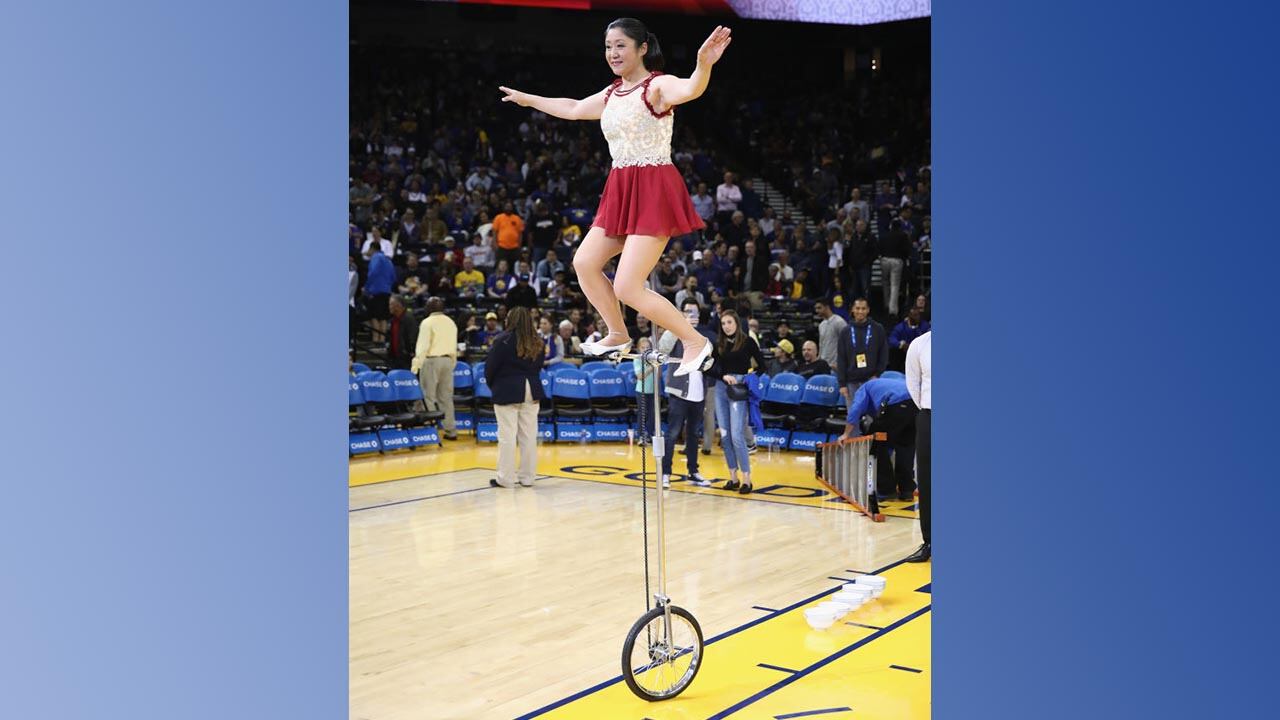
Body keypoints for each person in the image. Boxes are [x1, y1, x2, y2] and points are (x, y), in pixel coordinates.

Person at [499, 19, 733, 377]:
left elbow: (691, 88)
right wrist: (527, 99)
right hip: (621, 187)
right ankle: (618, 333)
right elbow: (574, 108)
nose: (613, 53)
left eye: (621, 45)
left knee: (627, 286)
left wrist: (704, 64)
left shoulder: (657, 86)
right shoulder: (612, 94)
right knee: (584, 262)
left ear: (642, 48)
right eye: (608, 46)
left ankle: (695, 341)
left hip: (653, 186)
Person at [484, 306, 546, 488]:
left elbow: (490, 368)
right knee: (529, 436)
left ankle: (506, 478)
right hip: (531, 388)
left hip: (507, 388)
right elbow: (539, 366)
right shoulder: (538, 341)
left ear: (511, 320)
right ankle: (528, 478)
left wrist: (494, 386)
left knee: (507, 436)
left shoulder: (502, 340)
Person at [706, 310, 765, 494]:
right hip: (721, 388)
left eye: (729, 322)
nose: (726, 326)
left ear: (737, 323)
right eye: (723, 323)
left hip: (738, 389)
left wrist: (748, 378)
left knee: (737, 436)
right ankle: (733, 477)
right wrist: (723, 375)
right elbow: (709, 367)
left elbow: (763, 366)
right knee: (725, 436)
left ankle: (747, 479)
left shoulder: (748, 341)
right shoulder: (719, 343)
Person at [839, 371, 917, 502]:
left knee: (876, 444)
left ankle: (887, 490)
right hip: (916, 407)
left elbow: (855, 410)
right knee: (906, 448)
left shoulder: (864, 388)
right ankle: (907, 491)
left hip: (895, 405)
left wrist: (846, 434)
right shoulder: (888, 384)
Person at [661, 333, 710, 489]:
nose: (693, 320)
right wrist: (676, 328)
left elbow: (709, 363)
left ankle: (693, 471)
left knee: (694, 435)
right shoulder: (676, 334)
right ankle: (665, 472)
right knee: (672, 434)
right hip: (678, 393)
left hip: (699, 395)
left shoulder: (703, 337)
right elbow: (662, 348)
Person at [411, 296, 458, 441]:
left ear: (430, 307)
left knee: (428, 396)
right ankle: (451, 430)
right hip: (448, 360)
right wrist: (452, 362)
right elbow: (454, 345)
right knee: (446, 398)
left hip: (431, 360)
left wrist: (416, 365)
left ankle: (431, 430)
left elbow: (423, 346)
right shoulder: (451, 322)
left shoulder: (427, 322)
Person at [904, 330, 931, 563]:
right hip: (929, 416)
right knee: (926, 480)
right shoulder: (919, 344)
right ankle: (929, 541)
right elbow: (913, 383)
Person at [836, 297, 888, 403]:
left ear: (868, 310)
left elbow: (884, 354)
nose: (860, 311)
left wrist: (877, 374)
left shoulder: (877, 329)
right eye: (857, 308)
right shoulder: (845, 331)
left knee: (871, 413)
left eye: (863, 308)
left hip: (872, 380)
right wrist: (842, 384)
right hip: (851, 382)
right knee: (853, 412)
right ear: (852, 310)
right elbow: (841, 358)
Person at [363, 241, 395, 344]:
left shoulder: (376, 257)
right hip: (386, 291)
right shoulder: (388, 260)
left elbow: (373, 273)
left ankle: (375, 340)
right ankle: (382, 340)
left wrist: (366, 287)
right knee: (383, 317)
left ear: (372, 248)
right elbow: (393, 277)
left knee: (374, 316)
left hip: (376, 291)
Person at [879, 219, 911, 318]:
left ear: (891, 226)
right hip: (897, 260)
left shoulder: (884, 235)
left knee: (885, 283)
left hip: (884, 259)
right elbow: (906, 249)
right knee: (895, 285)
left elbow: (880, 247)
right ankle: (892, 310)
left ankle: (886, 304)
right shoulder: (903, 235)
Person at [889, 305, 931, 372]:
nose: (917, 317)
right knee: (894, 352)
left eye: (918, 315)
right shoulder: (901, 327)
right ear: (909, 316)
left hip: (920, 353)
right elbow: (892, 339)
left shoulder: (924, 325)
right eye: (915, 315)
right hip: (904, 353)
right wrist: (902, 345)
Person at [632, 336, 658, 441]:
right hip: (641, 391)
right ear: (639, 349)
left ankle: (650, 434)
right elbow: (640, 376)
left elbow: (659, 376)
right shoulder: (637, 359)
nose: (645, 350)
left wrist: (657, 365)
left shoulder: (654, 359)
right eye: (643, 348)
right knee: (642, 414)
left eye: (648, 347)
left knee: (653, 414)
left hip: (654, 390)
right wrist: (652, 367)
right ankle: (641, 436)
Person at [813, 299, 848, 370]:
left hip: (836, 365)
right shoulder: (821, 325)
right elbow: (821, 345)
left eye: (819, 308)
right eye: (816, 308)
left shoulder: (839, 322)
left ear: (827, 307)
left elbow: (847, 343)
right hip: (823, 365)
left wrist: (842, 363)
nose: (817, 311)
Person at [387, 295, 419, 370]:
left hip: (406, 358)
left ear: (399, 305)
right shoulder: (393, 320)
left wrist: (410, 352)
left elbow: (413, 337)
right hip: (395, 357)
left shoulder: (409, 319)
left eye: (391, 304)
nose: (389, 307)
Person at [492, 201, 525, 269]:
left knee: (515, 267)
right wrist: (495, 244)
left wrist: (519, 245)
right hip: (502, 247)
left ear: (512, 208)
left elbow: (520, 233)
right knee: (501, 267)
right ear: (504, 207)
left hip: (514, 248)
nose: (508, 208)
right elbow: (495, 232)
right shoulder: (498, 218)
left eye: (510, 207)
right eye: (507, 206)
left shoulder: (517, 218)